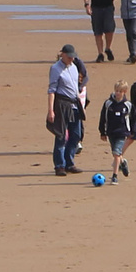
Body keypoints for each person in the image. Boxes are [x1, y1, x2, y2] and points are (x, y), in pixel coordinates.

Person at [46, 44, 88, 175]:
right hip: (61, 104)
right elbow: (52, 90)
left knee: (76, 135)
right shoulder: (55, 68)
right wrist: (51, 110)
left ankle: (69, 163)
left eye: (72, 57)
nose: (71, 59)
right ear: (62, 54)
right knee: (61, 136)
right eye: (69, 57)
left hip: (74, 103)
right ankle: (59, 165)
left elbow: (77, 88)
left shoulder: (74, 67)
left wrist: (82, 104)